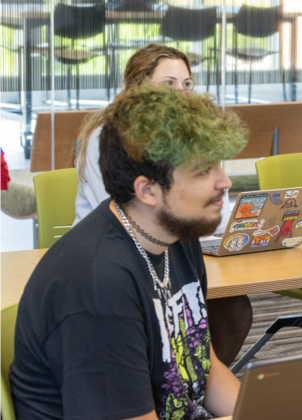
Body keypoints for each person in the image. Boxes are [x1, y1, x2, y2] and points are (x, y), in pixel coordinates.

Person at [11, 85, 246, 419]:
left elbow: (203, 367)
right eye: (203, 170)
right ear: (147, 190)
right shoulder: (98, 284)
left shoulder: (177, 234)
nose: (225, 181)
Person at [71, 44, 252, 364]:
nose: (181, 94)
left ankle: (188, 394)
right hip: (125, 257)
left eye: (186, 84)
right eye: (169, 84)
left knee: (232, 309)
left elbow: (208, 208)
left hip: (173, 248)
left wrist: (232, 231)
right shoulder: (108, 138)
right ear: (139, 88)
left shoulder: (188, 138)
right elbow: (127, 219)